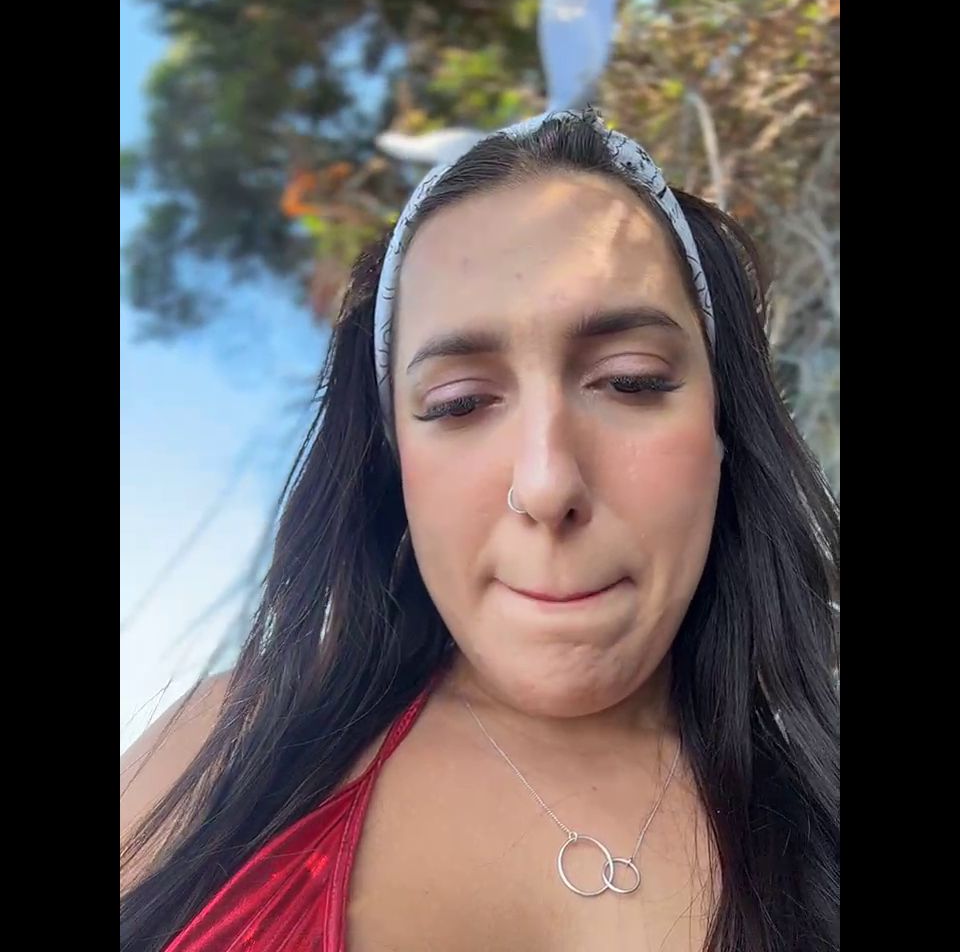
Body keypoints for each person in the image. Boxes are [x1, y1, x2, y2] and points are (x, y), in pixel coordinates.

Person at [120, 108, 840, 952]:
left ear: (723, 429)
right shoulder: (226, 752)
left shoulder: (821, 799)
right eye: (460, 403)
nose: (546, 482)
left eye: (631, 380)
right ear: (394, 466)